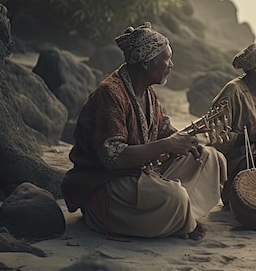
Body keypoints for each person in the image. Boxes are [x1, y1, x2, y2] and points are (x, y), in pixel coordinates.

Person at [61, 22, 227, 240]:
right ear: (147, 63)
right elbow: (114, 157)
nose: (171, 65)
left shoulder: (147, 92)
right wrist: (167, 145)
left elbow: (163, 129)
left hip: (138, 177)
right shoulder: (110, 94)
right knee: (175, 197)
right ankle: (178, 216)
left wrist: (184, 142)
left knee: (210, 158)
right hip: (106, 188)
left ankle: (182, 217)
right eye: (166, 58)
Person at [209, 40, 256, 208]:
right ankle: (248, 200)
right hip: (239, 163)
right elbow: (214, 136)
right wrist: (248, 136)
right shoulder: (233, 91)